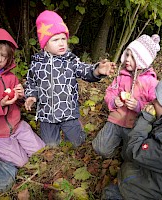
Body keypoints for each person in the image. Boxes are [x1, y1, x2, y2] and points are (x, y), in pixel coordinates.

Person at [24, 10, 116, 148]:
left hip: (68, 112)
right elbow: (31, 83)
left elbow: (85, 70)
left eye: (63, 39)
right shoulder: (37, 64)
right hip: (46, 114)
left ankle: (78, 139)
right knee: (50, 145)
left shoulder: (70, 60)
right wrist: (31, 96)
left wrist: (97, 70)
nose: (61, 43)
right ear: (45, 44)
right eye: (55, 40)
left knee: (76, 143)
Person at [102, 71, 162, 200]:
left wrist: (145, 119)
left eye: (157, 99)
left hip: (138, 193)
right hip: (143, 181)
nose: (153, 101)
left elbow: (134, 151)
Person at [92, 34, 160, 158]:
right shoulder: (121, 76)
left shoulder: (151, 82)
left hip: (135, 125)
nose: (127, 59)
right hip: (116, 119)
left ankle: (125, 151)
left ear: (143, 60)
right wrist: (113, 101)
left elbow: (154, 106)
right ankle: (115, 145)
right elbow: (110, 93)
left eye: (133, 57)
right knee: (100, 148)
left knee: (129, 156)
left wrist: (138, 106)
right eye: (127, 55)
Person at [0, 27, 45, 192]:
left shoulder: (11, 77)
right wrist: (0, 104)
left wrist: (21, 96)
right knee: (22, 163)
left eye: (3, 56)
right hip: (0, 135)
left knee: (41, 152)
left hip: (18, 126)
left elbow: (17, 102)